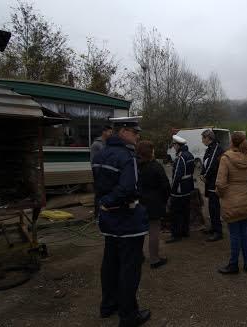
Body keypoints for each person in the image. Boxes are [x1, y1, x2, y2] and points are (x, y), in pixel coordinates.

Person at [92, 117, 151, 327]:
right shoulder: (127, 156)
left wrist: (102, 204)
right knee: (129, 268)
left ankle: (108, 305)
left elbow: (98, 185)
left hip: (108, 221)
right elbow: (128, 188)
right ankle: (128, 316)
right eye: (135, 133)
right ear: (123, 131)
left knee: (110, 264)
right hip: (127, 220)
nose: (138, 136)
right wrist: (109, 201)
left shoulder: (100, 154)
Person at [216, 132, 247, 274]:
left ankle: (233, 264)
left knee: (234, 234)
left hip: (232, 201)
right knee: (245, 231)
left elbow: (220, 184)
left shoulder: (226, 158)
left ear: (232, 142)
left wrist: (222, 195)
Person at [137, 140, 170, 269]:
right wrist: (164, 200)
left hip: (139, 203)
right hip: (154, 204)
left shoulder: (135, 165)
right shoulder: (155, 166)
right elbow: (165, 186)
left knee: (138, 232)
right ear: (150, 152)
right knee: (154, 231)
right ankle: (154, 259)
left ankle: (138, 256)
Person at [166, 135, 195, 244]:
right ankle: (185, 231)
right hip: (188, 187)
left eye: (174, 145)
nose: (173, 147)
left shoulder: (181, 157)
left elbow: (177, 176)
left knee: (176, 212)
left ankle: (176, 234)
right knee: (185, 210)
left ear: (178, 145)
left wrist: (172, 190)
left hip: (179, 189)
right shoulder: (190, 155)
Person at [200, 129, 224, 242]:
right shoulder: (210, 148)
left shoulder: (216, 148)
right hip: (210, 181)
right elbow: (205, 163)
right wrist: (201, 173)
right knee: (211, 205)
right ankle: (214, 227)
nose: (202, 140)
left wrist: (204, 175)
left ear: (208, 138)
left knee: (214, 206)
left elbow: (212, 164)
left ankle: (218, 232)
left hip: (214, 181)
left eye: (203, 138)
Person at [91, 125, 113, 220]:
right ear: (104, 132)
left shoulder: (108, 143)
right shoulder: (97, 144)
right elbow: (94, 161)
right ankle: (97, 215)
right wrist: (98, 173)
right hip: (99, 173)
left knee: (107, 193)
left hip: (107, 173)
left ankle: (105, 213)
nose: (111, 134)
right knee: (99, 194)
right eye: (109, 132)